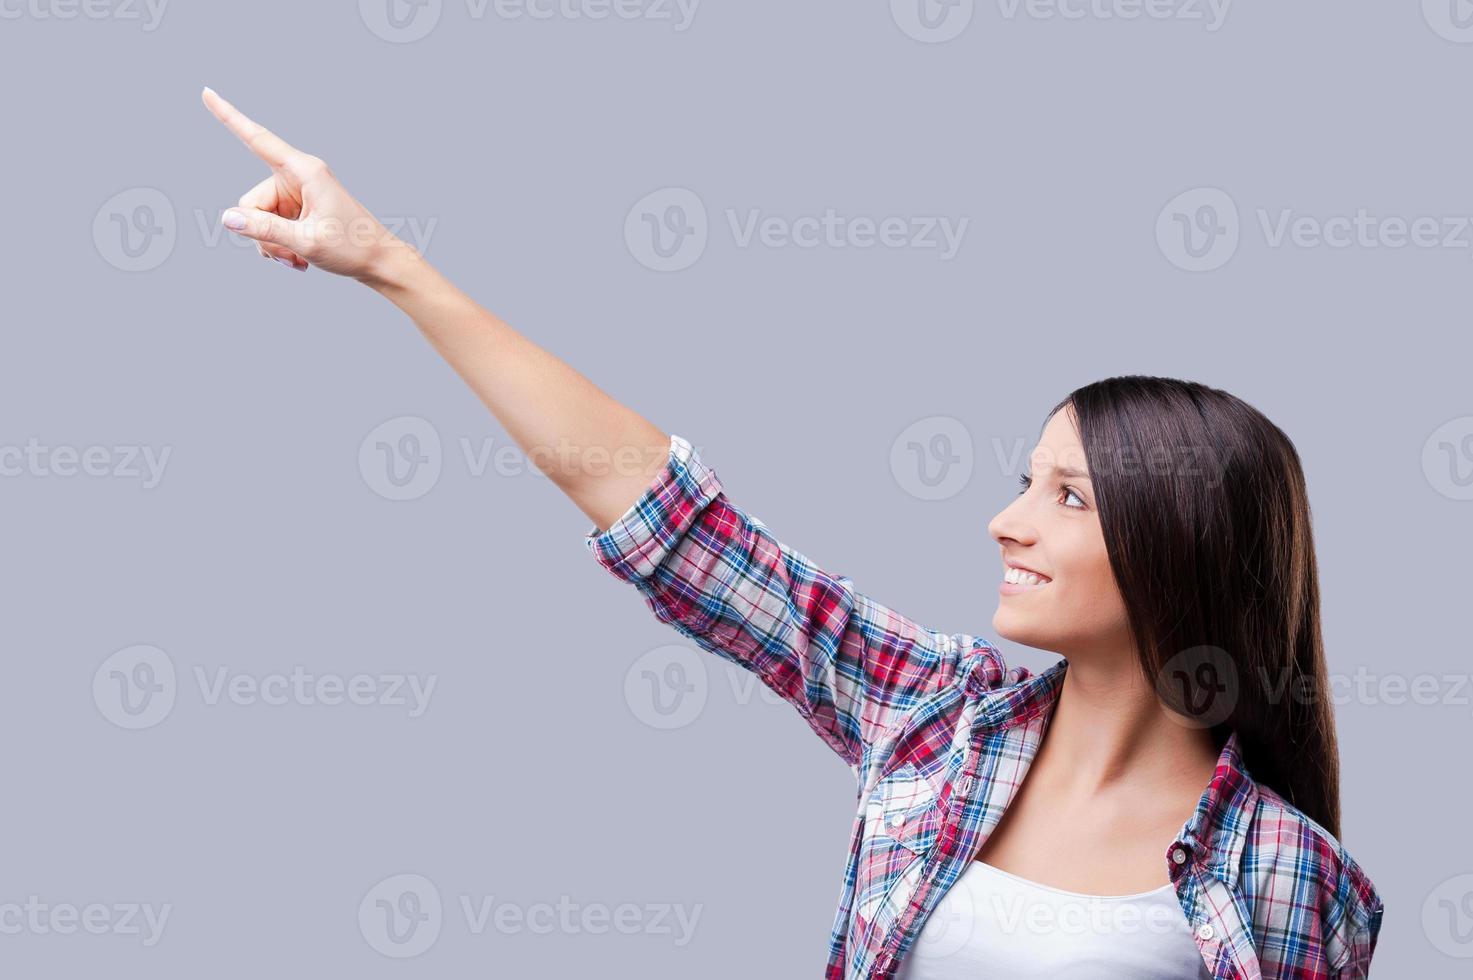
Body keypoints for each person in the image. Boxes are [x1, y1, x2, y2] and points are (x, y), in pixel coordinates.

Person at [200, 87, 1385, 979]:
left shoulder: (1291, 879)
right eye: (1026, 479)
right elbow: (682, 529)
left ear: (1178, 544)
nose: (1006, 519)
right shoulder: (932, 721)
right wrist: (393, 265)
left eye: (1068, 497)